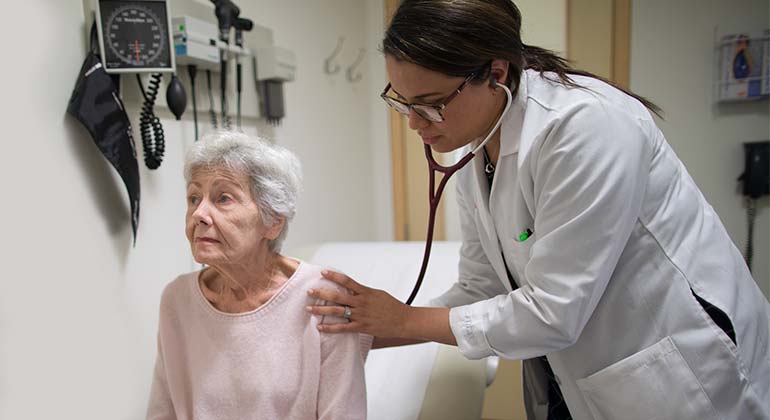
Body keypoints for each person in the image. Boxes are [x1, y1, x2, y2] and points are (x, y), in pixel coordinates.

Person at [307, 1, 770, 419]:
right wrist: (372, 331)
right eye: (402, 103)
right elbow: (481, 287)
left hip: (679, 375)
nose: (414, 124)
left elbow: (553, 312)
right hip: (578, 379)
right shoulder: (478, 149)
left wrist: (403, 319)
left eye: (431, 105)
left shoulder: (586, 128)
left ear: (496, 73)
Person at [146, 131, 368, 420]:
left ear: (273, 221)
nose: (199, 214)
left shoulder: (324, 298)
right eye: (193, 198)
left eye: (223, 198)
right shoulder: (177, 299)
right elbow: (162, 412)